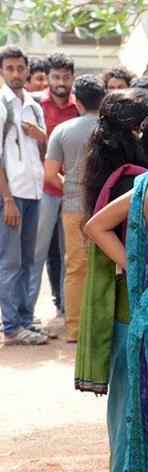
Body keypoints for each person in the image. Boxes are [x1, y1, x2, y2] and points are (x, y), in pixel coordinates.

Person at [75, 85, 148, 472]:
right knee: (133, 435)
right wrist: (141, 270)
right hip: (135, 317)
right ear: (136, 131)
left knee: (124, 433)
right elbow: (98, 231)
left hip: (123, 313)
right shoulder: (134, 179)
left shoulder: (106, 170)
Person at [42, 75, 105, 344]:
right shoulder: (109, 129)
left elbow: (49, 174)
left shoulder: (63, 130)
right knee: (104, 267)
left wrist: (68, 186)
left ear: (76, 101)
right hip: (106, 207)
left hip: (73, 206)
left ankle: (76, 328)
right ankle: (102, 328)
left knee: (75, 268)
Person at [1, 45, 48, 345]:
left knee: (29, 260)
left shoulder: (33, 105)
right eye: (10, 68)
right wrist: (6, 200)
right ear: (2, 72)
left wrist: (41, 137)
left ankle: (26, 319)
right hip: (12, 196)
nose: (16, 74)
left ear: (28, 70)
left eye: (21, 68)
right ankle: (11, 326)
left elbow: (43, 152)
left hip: (34, 192)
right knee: (10, 261)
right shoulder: (2, 106)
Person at [32, 52, 78, 322]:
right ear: (47, 78)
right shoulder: (37, 105)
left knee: (68, 255)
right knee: (36, 253)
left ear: (72, 77)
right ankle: (27, 314)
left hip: (72, 192)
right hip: (44, 190)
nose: (61, 81)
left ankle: (65, 309)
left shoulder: (80, 106)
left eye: (66, 76)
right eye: (56, 76)